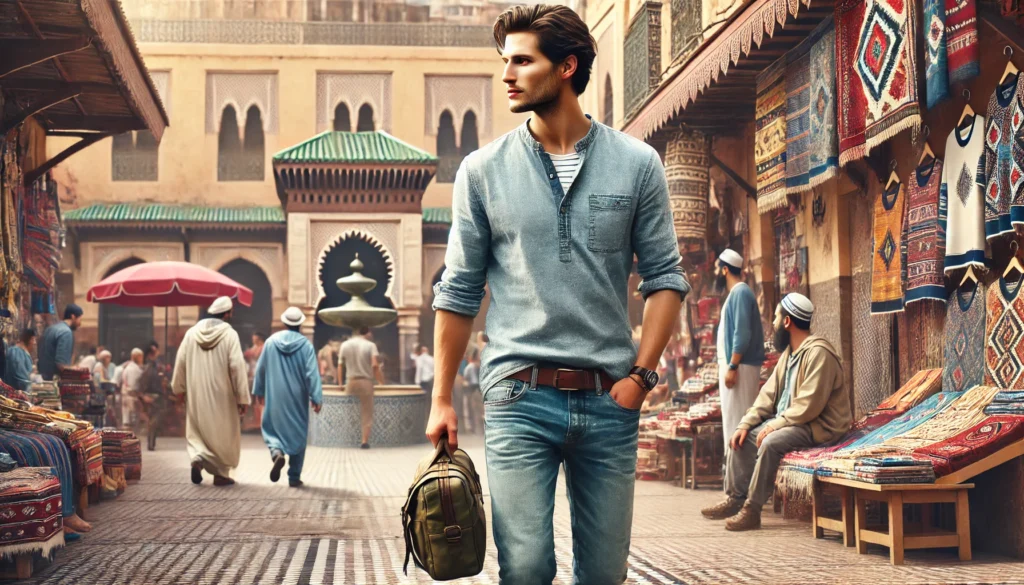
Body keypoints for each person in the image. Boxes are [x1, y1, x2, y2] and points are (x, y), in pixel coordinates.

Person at [426, 5, 689, 583]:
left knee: (603, 574)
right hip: (518, 398)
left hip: (608, 399)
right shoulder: (481, 171)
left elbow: (666, 279)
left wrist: (640, 379)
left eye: (523, 60)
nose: (507, 75)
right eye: (505, 62)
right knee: (524, 569)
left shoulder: (637, 164)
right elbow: (460, 290)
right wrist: (442, 396)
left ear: (567, 67)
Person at [701, 293, 850, 531]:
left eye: (776, 318)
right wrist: (745, 424)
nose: (773, 324)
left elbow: (808, 405)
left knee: (770, 442)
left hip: (818, 426)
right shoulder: (789, 355)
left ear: (787, 322)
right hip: (793, 423)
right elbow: (767, 397)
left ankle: (752, 510)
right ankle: (736, 498)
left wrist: (774, 425)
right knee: (742, 438)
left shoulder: (819, 353)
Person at [171, 296, 250, 486]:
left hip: (196, 394)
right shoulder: (230, 334)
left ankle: (197, 458)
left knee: (197, 430)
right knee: (222, 433)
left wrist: (178, 388)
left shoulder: (191, 333)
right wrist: (242, 398)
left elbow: (180, 362)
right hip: (223, 397)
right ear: (227, 313)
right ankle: (221, 474)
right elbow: (237, 366)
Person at [253, 307, 323, 487]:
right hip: (298, 398)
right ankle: (294, 476)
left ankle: (276, 452)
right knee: (298, 432)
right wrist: (316, 397)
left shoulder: (270, 342)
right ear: (300, 324)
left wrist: (258, 391)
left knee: (271, 428)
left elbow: (260, 369)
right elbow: (312, 374)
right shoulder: (306, 345)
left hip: (275, 396)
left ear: (284, 323)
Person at [714, 249, 766, 452]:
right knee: (733, 420)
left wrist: (733, 366)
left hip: (741, 368)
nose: (716, 274)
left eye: (718, 269)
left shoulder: (741, 292)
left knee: (739, 422)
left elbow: (742, 334)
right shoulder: (736, 294)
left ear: (725, 270)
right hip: (737, 367)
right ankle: (735, 475)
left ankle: (740, 476)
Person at [339, 327, 383, 449]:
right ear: (367, 332)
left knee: (349, 410)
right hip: (365, 382)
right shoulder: (370, 345)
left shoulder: (345, 345)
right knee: (366, 413)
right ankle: (364, 441)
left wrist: (339, 383)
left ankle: (347, 438)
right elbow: (374, 365)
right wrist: (380, 381)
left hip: (350, 381)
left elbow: (340, 365)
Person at [39, 304, 83, 380]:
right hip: (55, 381)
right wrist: (76, 369)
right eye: (80, 319)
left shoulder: (50, 329)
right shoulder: (66, 332)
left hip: (43, 378)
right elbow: (61, 365)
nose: (80, 324)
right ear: (73, 317)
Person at [140, 344, 167, 450]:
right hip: (151, 396)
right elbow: (142, 384)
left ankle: (152, 442)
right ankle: (150, 443)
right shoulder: (148, 367)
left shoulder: (157, 366)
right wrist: (144, 396)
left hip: (158, 396)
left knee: (155, 421)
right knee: (153, 421)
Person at [5, 328, 37, 392]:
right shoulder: (16, 352)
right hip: (15, 393)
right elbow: (21, 379)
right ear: (31, 339)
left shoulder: (22, 352)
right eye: (34, 340)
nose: (35, 343)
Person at [121, 348, 145, 432]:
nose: (142, 358)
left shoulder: (129, 367)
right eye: (140, 356)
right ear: (136, 356)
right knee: (130, 422)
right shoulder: (133, 369)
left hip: (127, 396)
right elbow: (133, 385)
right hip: (131, 396)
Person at [461, 350, 483, 434]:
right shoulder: (472, 367)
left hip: (472, 390)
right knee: (474, 410)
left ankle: (474, 429)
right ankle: (476, 430)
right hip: (473, 391)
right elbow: (475, 382)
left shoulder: (473, 366)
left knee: (472, 410)